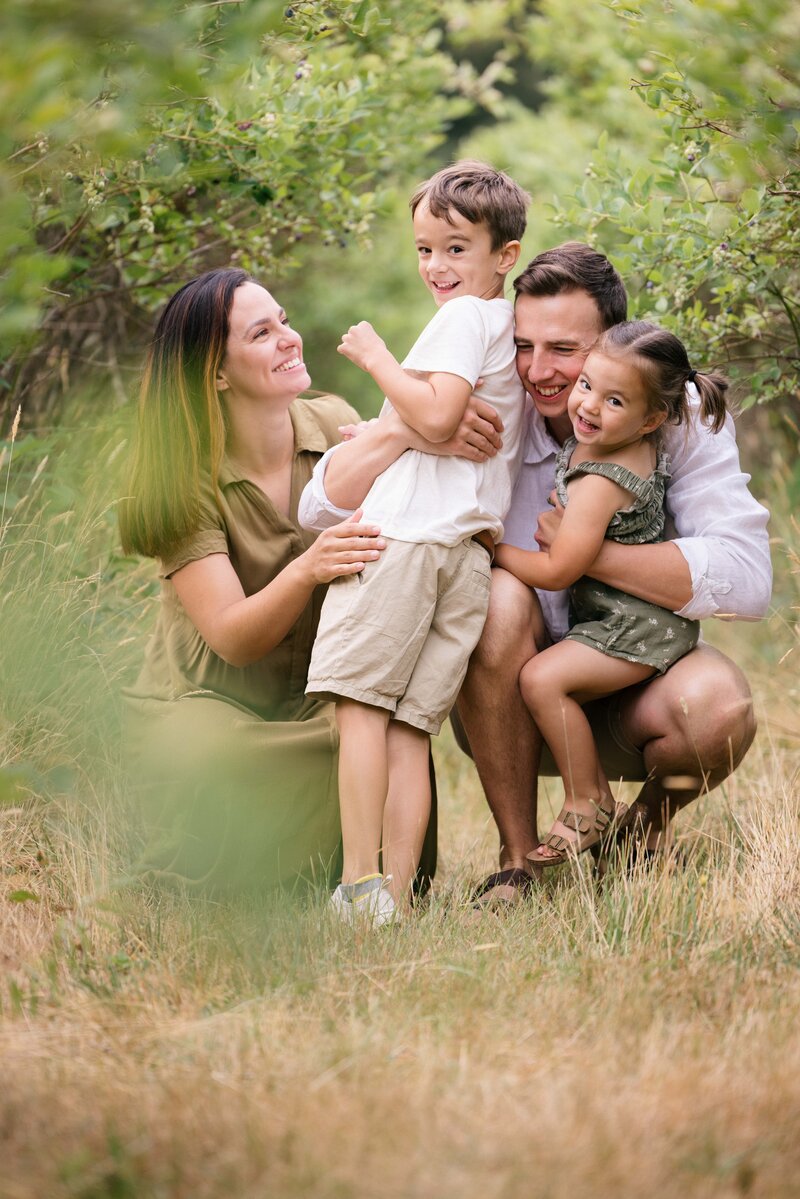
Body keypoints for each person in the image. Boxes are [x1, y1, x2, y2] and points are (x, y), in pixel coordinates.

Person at [302, 243, 771, 904]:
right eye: (525, 346)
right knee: (493, 596)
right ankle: (517, 859)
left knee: (721, 705)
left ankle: (639, 832)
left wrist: (587, 554)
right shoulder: (492, 399)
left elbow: (749, 578)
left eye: (565, 350)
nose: (542, 373)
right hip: (510, 698)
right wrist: (413, 431)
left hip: (634, 672)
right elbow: (318, 504)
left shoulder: (671, 412)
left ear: (612, 344)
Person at [119, 267, 444, 891]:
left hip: (318, 694)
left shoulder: (337, 423)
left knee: (384, 743)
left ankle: (349, 886)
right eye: (261, 334)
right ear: (216, 373)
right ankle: (259, 873)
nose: (289, 340)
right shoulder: (184, 482)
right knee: (218, 761)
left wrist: (423, 429)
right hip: (208, 706)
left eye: (284, 322)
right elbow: (233, 638)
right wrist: (308, 567)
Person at [299, 161, 530, 923]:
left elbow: (434, 418)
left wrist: (375, 360)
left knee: (360, 707)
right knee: (408, 728)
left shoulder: (464, 318)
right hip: (464, 556)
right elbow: (435, 421)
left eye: (457, 248)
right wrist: (390, 423)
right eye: (425, 248)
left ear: (506, 255)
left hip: (403, 543)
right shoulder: (503, 328)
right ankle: (394, 896)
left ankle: (359, 883)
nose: (437, 266)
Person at [494, 320, 729, 866]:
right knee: (549, 678)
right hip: (633, 617)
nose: (589, 406)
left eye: (614, 399)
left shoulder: (601, 479)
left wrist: (492, 549)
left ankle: (589, 798)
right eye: (587, 386)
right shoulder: (625, 441)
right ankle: (597, 807)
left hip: (632, 625)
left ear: (652, 419)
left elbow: (557, 570)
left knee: (541, 678)